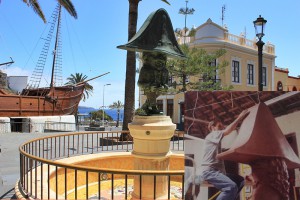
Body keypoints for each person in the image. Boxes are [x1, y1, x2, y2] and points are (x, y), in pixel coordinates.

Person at [200, 109, 249, 200]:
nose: (221, 129)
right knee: (231, 187)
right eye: (219, 126)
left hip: (218, 172)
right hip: (209, 172)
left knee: (240, 181)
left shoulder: (215, 141)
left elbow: (219, 156)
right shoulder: (212, 135)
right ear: (212, 127)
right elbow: (228, 130)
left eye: (222, 127)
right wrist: (240, 117)